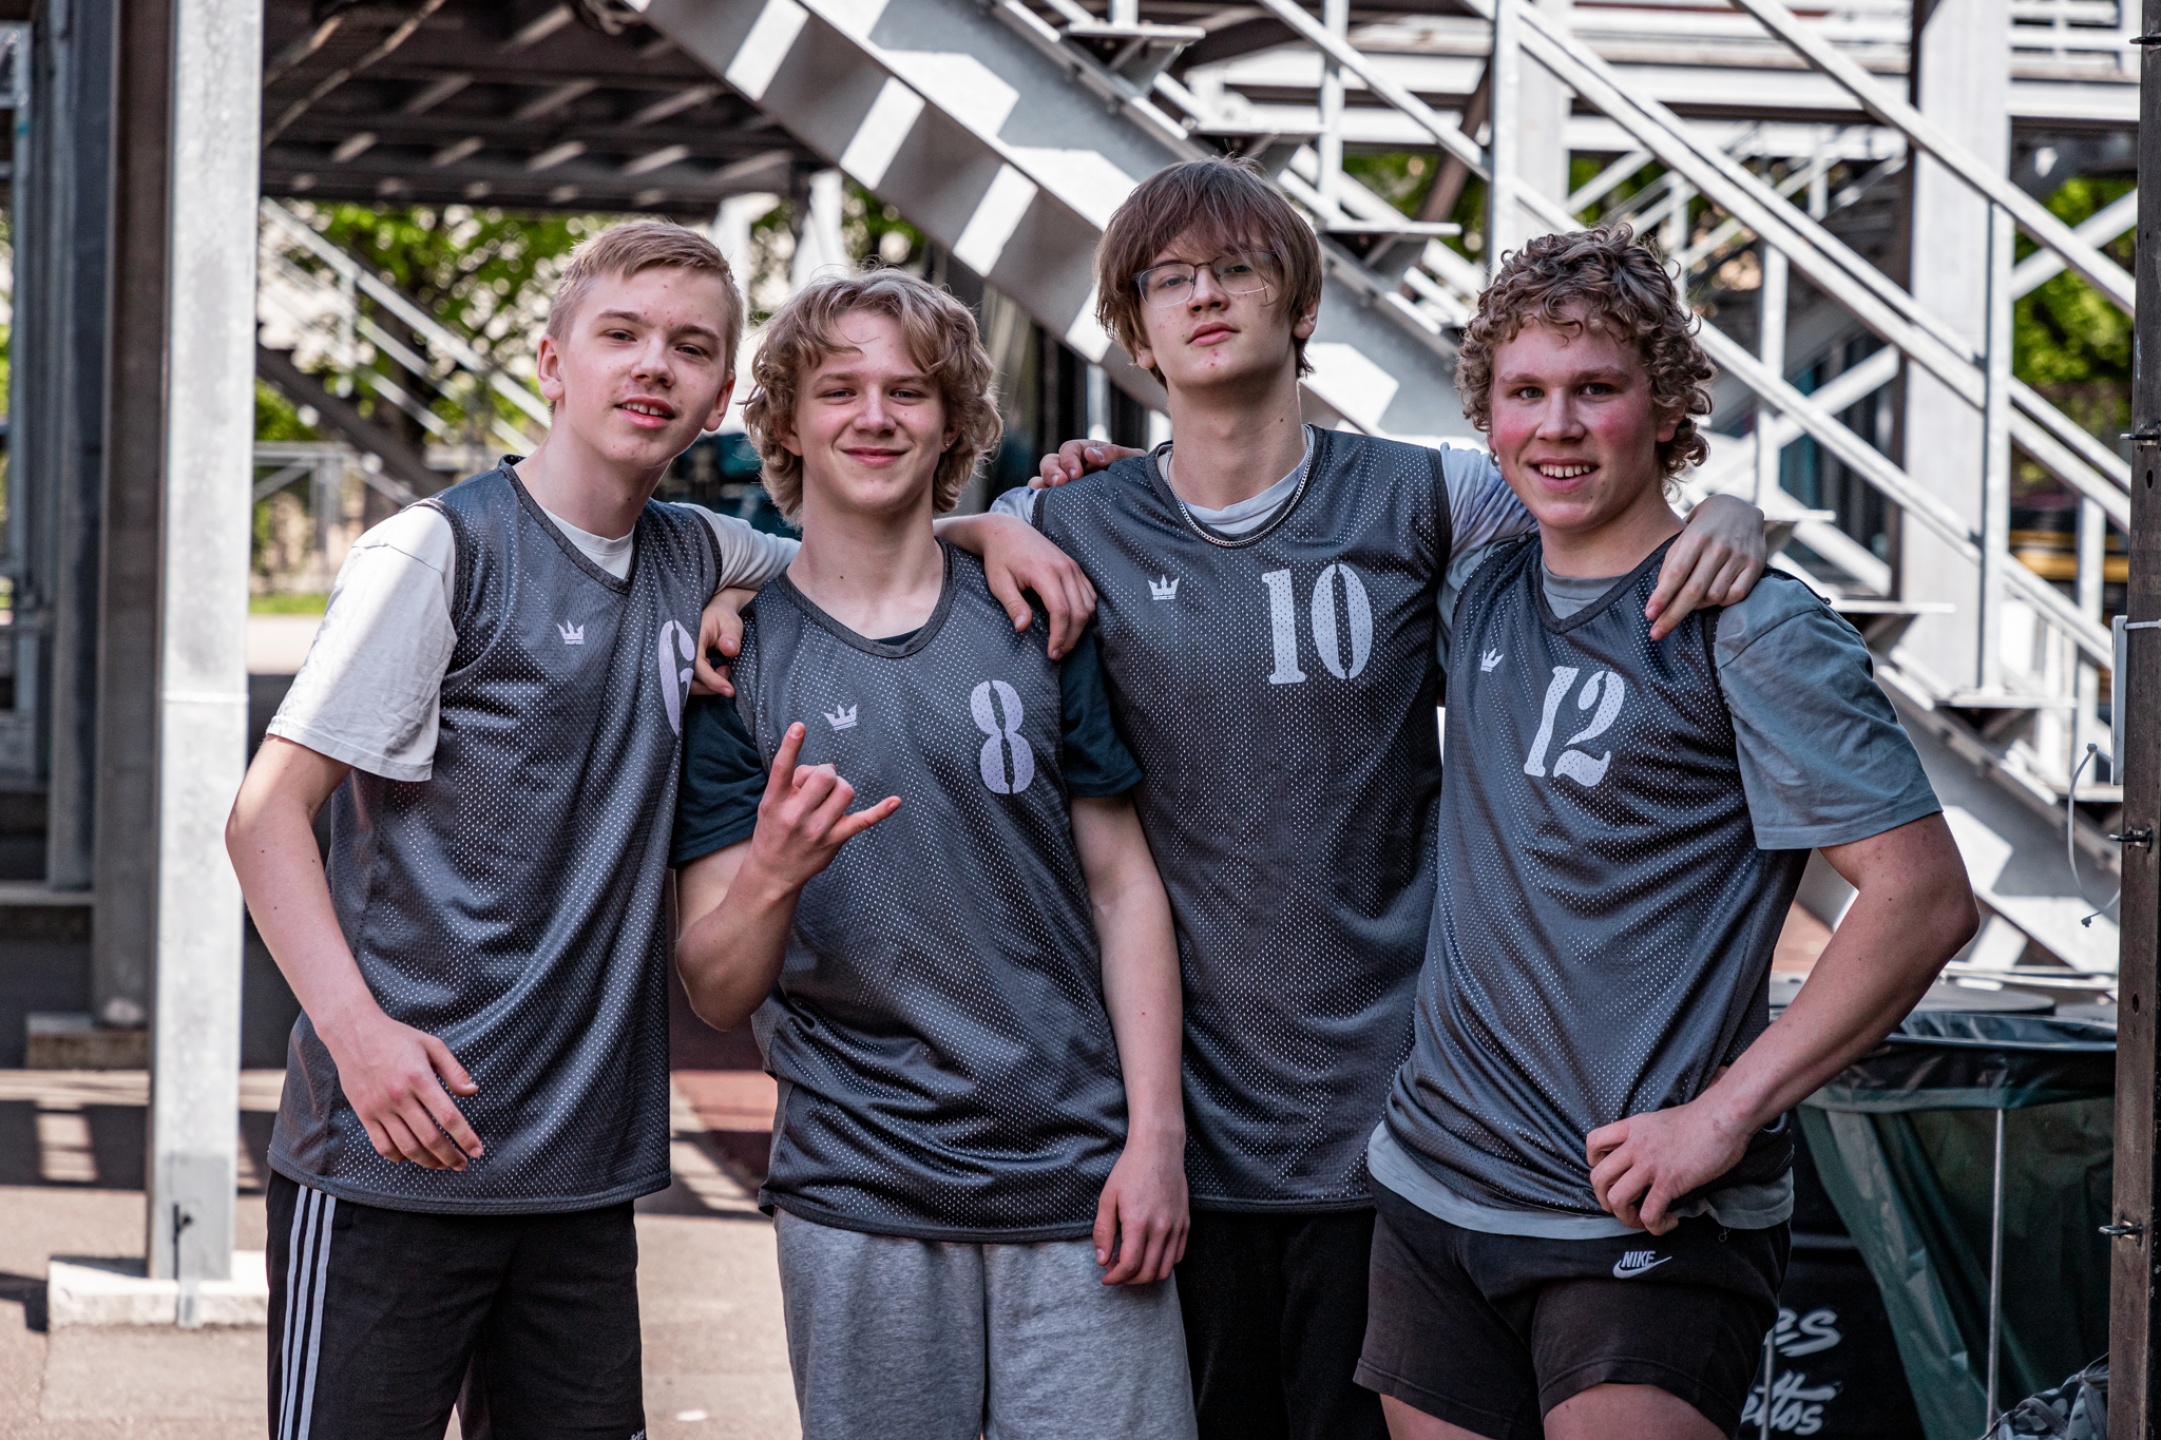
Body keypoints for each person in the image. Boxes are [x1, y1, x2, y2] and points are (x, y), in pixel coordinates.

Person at [225, 223, 1086, 1439]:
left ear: (721, 395)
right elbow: (264, 814)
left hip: (579, 1172)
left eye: (688, 346)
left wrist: (991, 528)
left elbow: (862, 548)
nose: (651, 365)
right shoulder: (439, 550)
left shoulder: (695, 554)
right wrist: (354, 1036)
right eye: (620, 334)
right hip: (393, 1145)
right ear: (551, 363)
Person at [996, 158, 1771, 1440]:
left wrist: (1736, 512)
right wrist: (977, 529)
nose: (1205, 296)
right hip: (1161, 1132)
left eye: (1238, 269)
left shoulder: (1432, 497)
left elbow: (1608, 501)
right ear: (1132, 328)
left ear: (1302, 307)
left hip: (1400, 1134)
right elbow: (876, 570)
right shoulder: (1062, 525)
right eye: (1169, 279)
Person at [1358, 225, 1978, 1440]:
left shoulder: (1750, 626)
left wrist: (1722, 1116)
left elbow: (1923, 899)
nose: (1557, 426)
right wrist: (1048, 497)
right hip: (1438, 1187)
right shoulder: (1477, 586)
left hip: (1638, 1209)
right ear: (1486, 415)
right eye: (1524, 393)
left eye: (1596, 389)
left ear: (1668, 407)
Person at [670, 269, 1197, 1440]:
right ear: (786, 425)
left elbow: (1123, 890)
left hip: (1078, 1185)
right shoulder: (736, 663)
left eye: (908, 391)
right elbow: (713, 987)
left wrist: (1156, 1140)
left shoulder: (1035, 616)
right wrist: (770, 875)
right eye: (839, 390)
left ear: (953, 422)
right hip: (859, 1192)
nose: (875, 415)